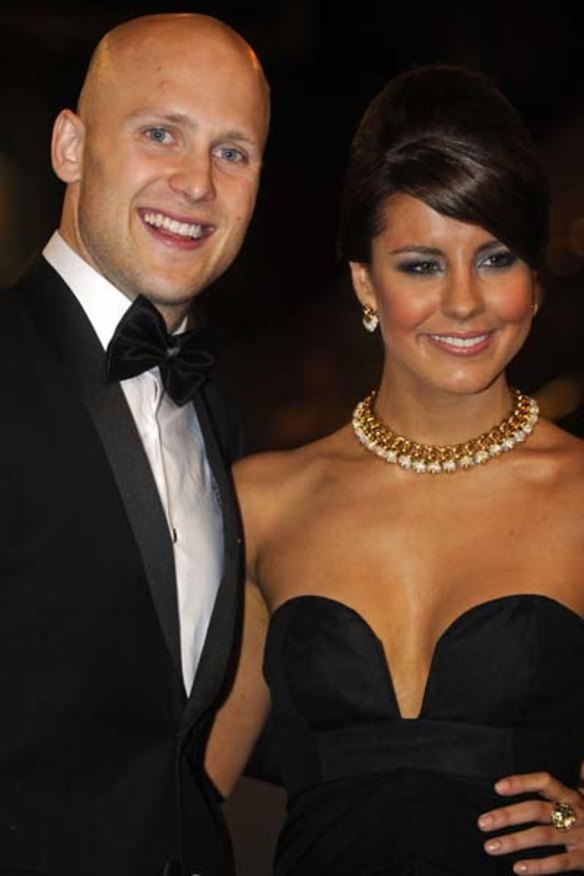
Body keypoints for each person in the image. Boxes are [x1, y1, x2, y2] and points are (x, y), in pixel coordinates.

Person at [205, 65, 584, 874]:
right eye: (421, 264)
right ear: (364, 282)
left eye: (496, 258)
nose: (464, 302)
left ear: (534, 280)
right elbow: (186, 789)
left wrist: (578, 822)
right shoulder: (263, 501)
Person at [0, 12, 269, 876]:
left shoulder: (218, 416)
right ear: (70, 146)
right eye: (161, 133)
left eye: (233, 152)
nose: (197, 182)